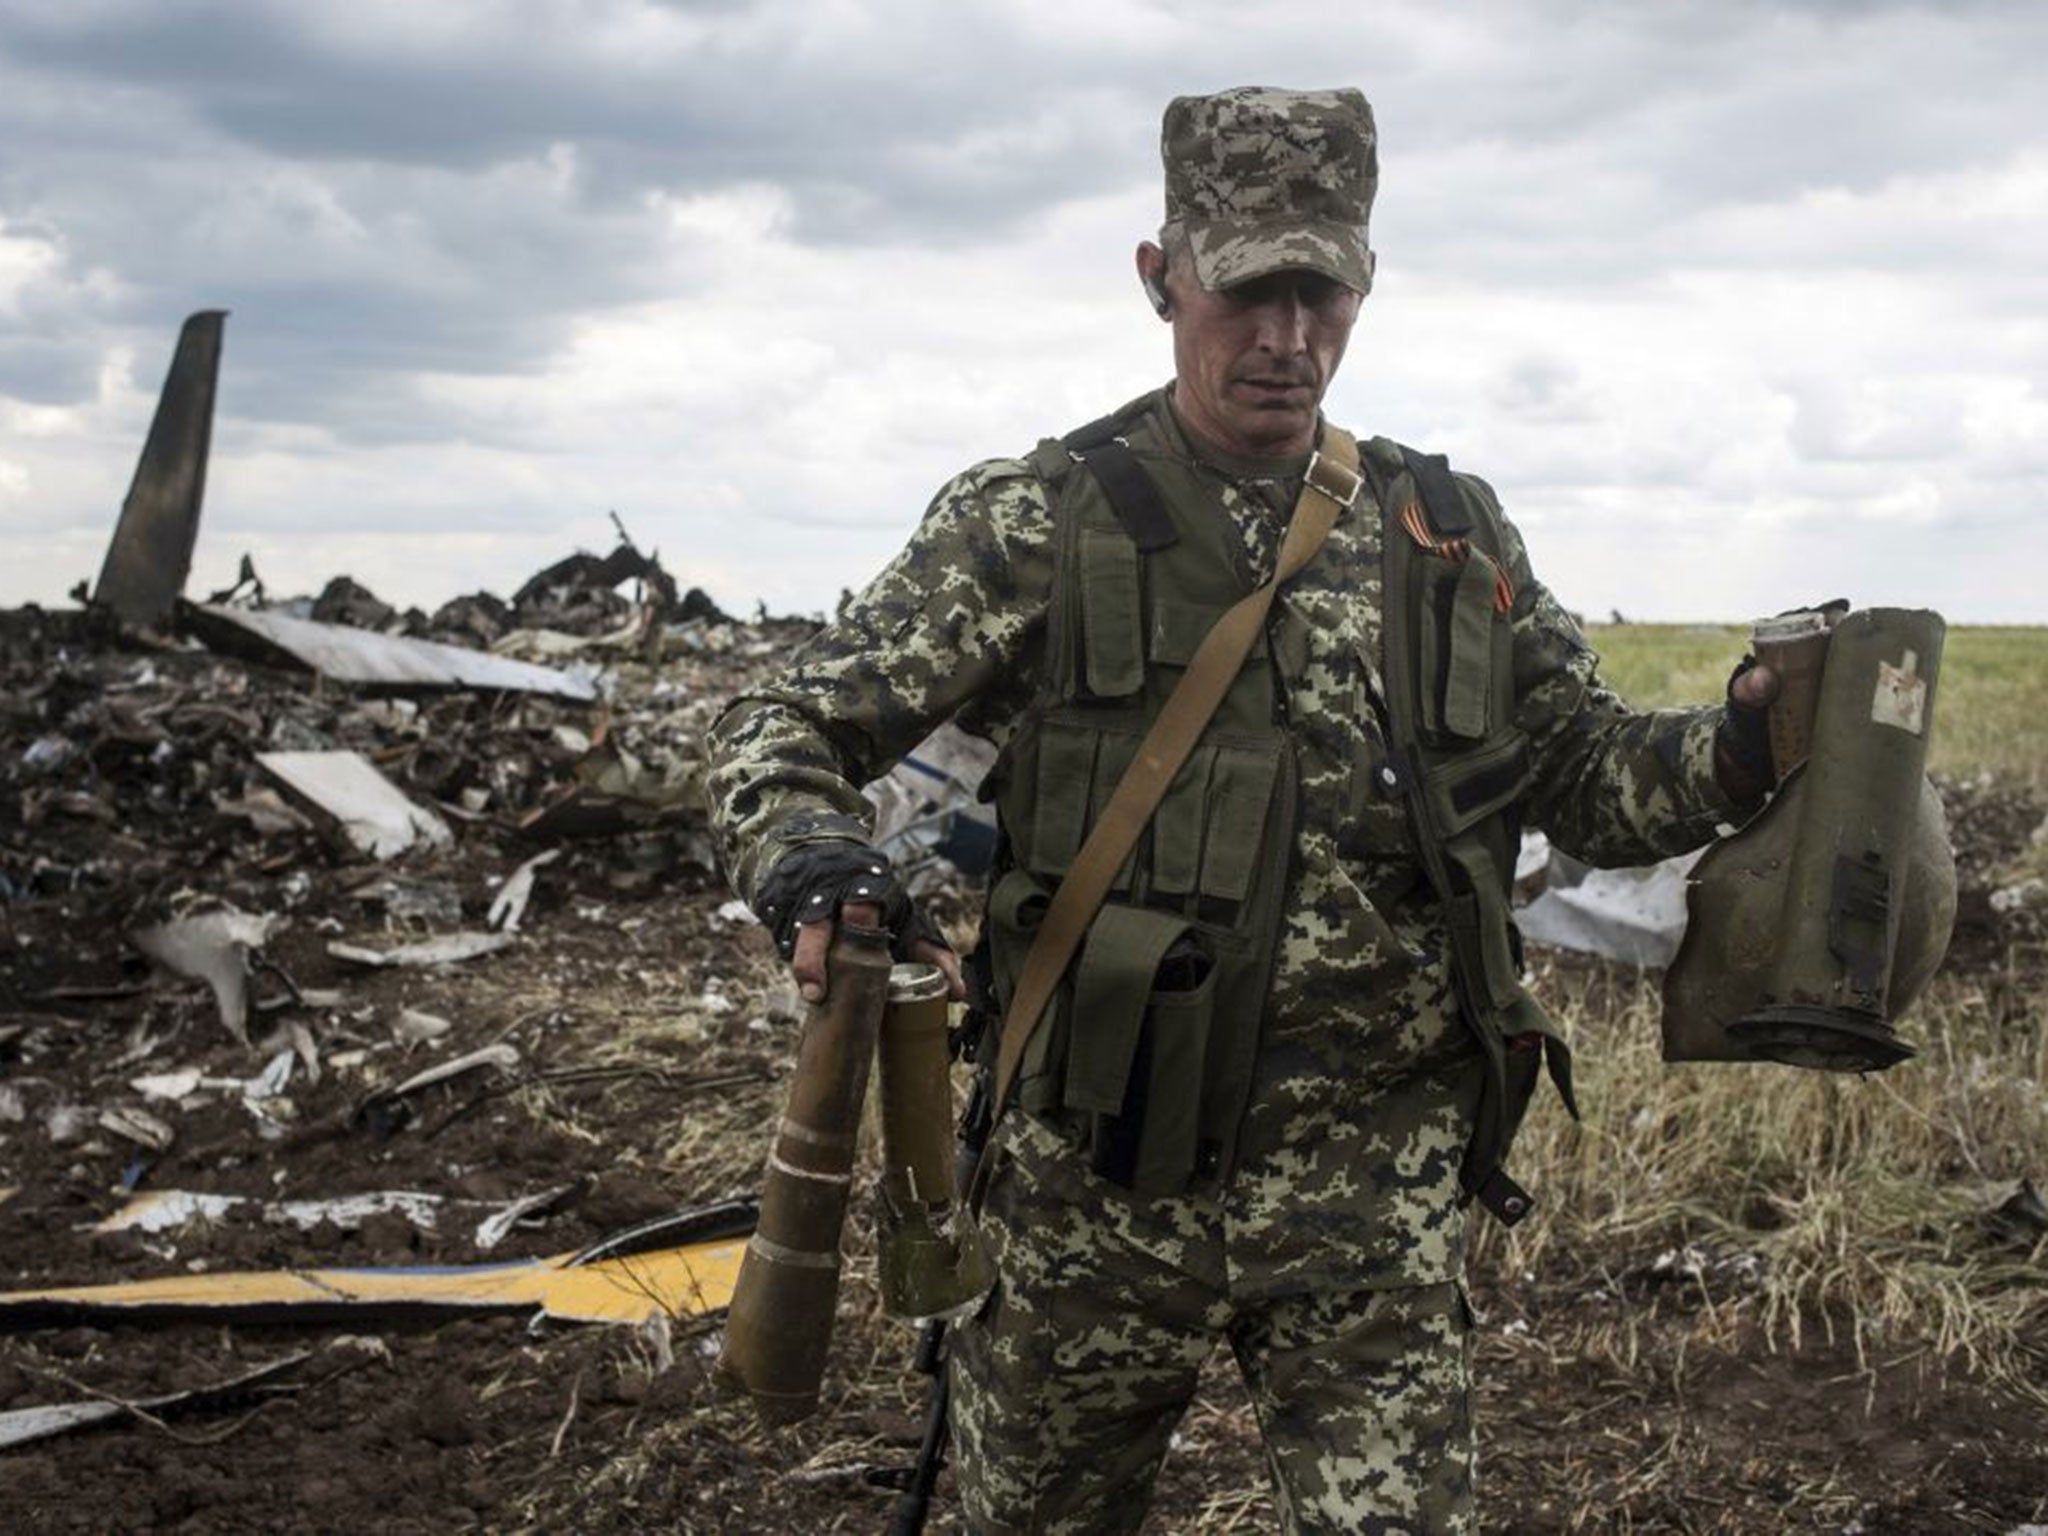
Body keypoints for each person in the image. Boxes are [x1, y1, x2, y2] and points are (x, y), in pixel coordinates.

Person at [707, 85, 1781, 1536]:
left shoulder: (1445, 533)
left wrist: (1738, 750)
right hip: (1090, 1189)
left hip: (1372, 1199)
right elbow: (781, 720)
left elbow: (1583, 772)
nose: (1288, 338)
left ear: (1364, 283)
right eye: (1248, 289)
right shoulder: (1038, 518)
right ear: (1162, 279)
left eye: (1321, 291)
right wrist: (812, 862)